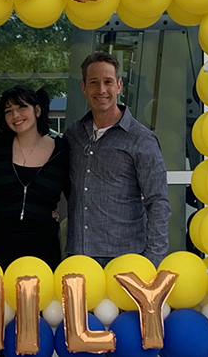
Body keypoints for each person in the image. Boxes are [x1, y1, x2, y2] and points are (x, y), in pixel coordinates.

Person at [64, 51, 171, 267]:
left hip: (125, 258)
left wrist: (153, 259)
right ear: (83, 87)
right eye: (94, 82)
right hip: (78, 256)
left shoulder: (142, 139)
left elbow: (158, 202)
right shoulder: (73, 134)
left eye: (108, 82)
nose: (101, 90)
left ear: (119, 86)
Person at [0, 85, 70, 271]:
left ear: (37, 110)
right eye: (8, 111)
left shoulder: (62, 151)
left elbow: (74, 193)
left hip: (43, 242)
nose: (15, 115)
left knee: (42, 298)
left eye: (21, 107)